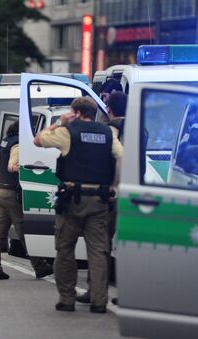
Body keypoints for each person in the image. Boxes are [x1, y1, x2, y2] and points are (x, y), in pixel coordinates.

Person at [34, 96, 122, 313]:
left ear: (76, 112)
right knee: (99, 251)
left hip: (72, 198)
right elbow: (121, 156)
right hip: (99, 198)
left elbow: (38, 140)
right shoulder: (108, 133)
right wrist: (114, 185)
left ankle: (67, 298)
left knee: (65, 249)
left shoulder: (67, 132)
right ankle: (99, 301)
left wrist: (59, 122)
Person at [76, 91, 127, 306]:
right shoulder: (139, 129)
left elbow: (115, 159)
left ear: (109, 109)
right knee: (128, 246)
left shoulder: (111, 130)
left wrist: (113, 186)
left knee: (100, 245)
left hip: (111, 194)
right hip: (135, 193)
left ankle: (96, 291)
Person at [0, 121, 53, 280]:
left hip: (1, 191)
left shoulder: (6, 142)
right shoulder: (17, 144)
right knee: (24, 229)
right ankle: (40, 266)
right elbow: (11, 166)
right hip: (11, 194)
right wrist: (27, 168)